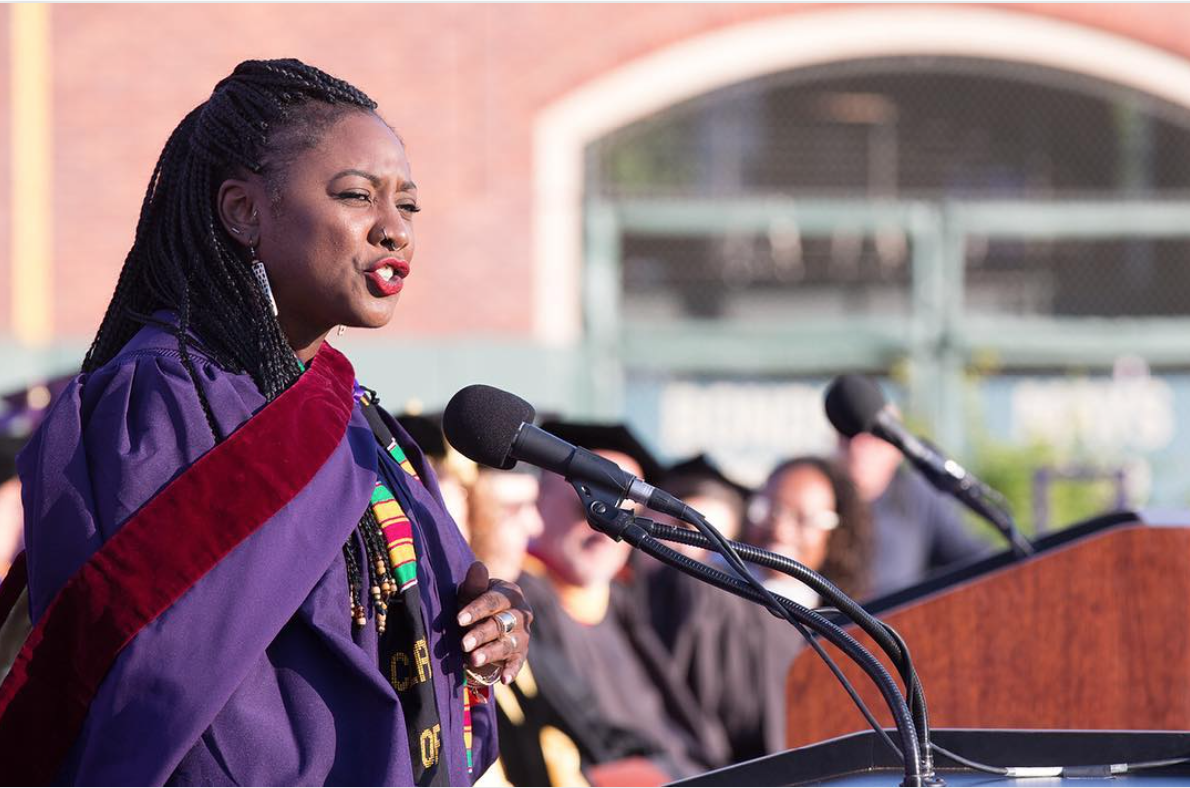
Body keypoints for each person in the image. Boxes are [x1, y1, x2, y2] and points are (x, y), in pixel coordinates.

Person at [0, 59, 531, 786]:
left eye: (408, 206)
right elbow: (162, 687)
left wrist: (490, 625)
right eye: (355, 196)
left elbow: (393, 615)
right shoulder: (158, 399)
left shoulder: (353, 414)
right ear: (245, 211)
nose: (393, 231)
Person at [517, 421, 731, 782]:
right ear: (540, 501)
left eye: (624, 515)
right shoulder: (520, 603)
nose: (605, 534)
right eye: (588, 509)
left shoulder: (627, 603)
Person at [839, 430, 986, 597]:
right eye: (849, 436)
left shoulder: (918, 495)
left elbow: (974, 559)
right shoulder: (819, 496)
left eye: (872, 438)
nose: (857, 448)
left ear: (895, 448)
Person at [747, 456, 874, 606]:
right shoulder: (719, 588)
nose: (780, 531)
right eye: (770, 510)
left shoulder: (845, 620)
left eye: (804, 519)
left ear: (835, 535)